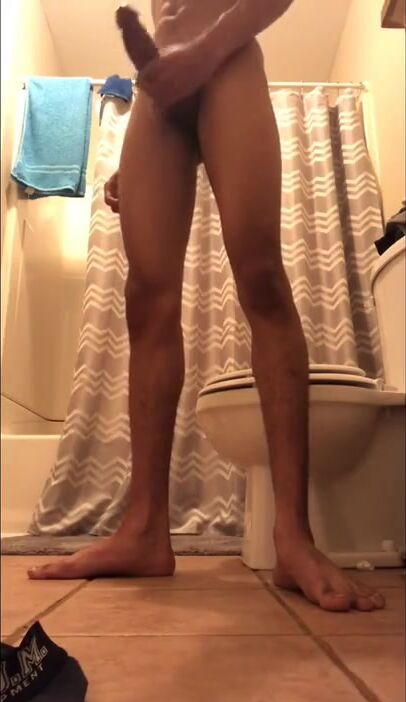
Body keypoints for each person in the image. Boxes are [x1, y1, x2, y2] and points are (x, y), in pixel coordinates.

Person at [28, 0, 385, 613]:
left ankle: (293, 537)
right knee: (145, 297)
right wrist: (139, 166)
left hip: (226, 62)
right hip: (159, 90)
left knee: (261, 276)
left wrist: (209, 50)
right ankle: (144, 531)